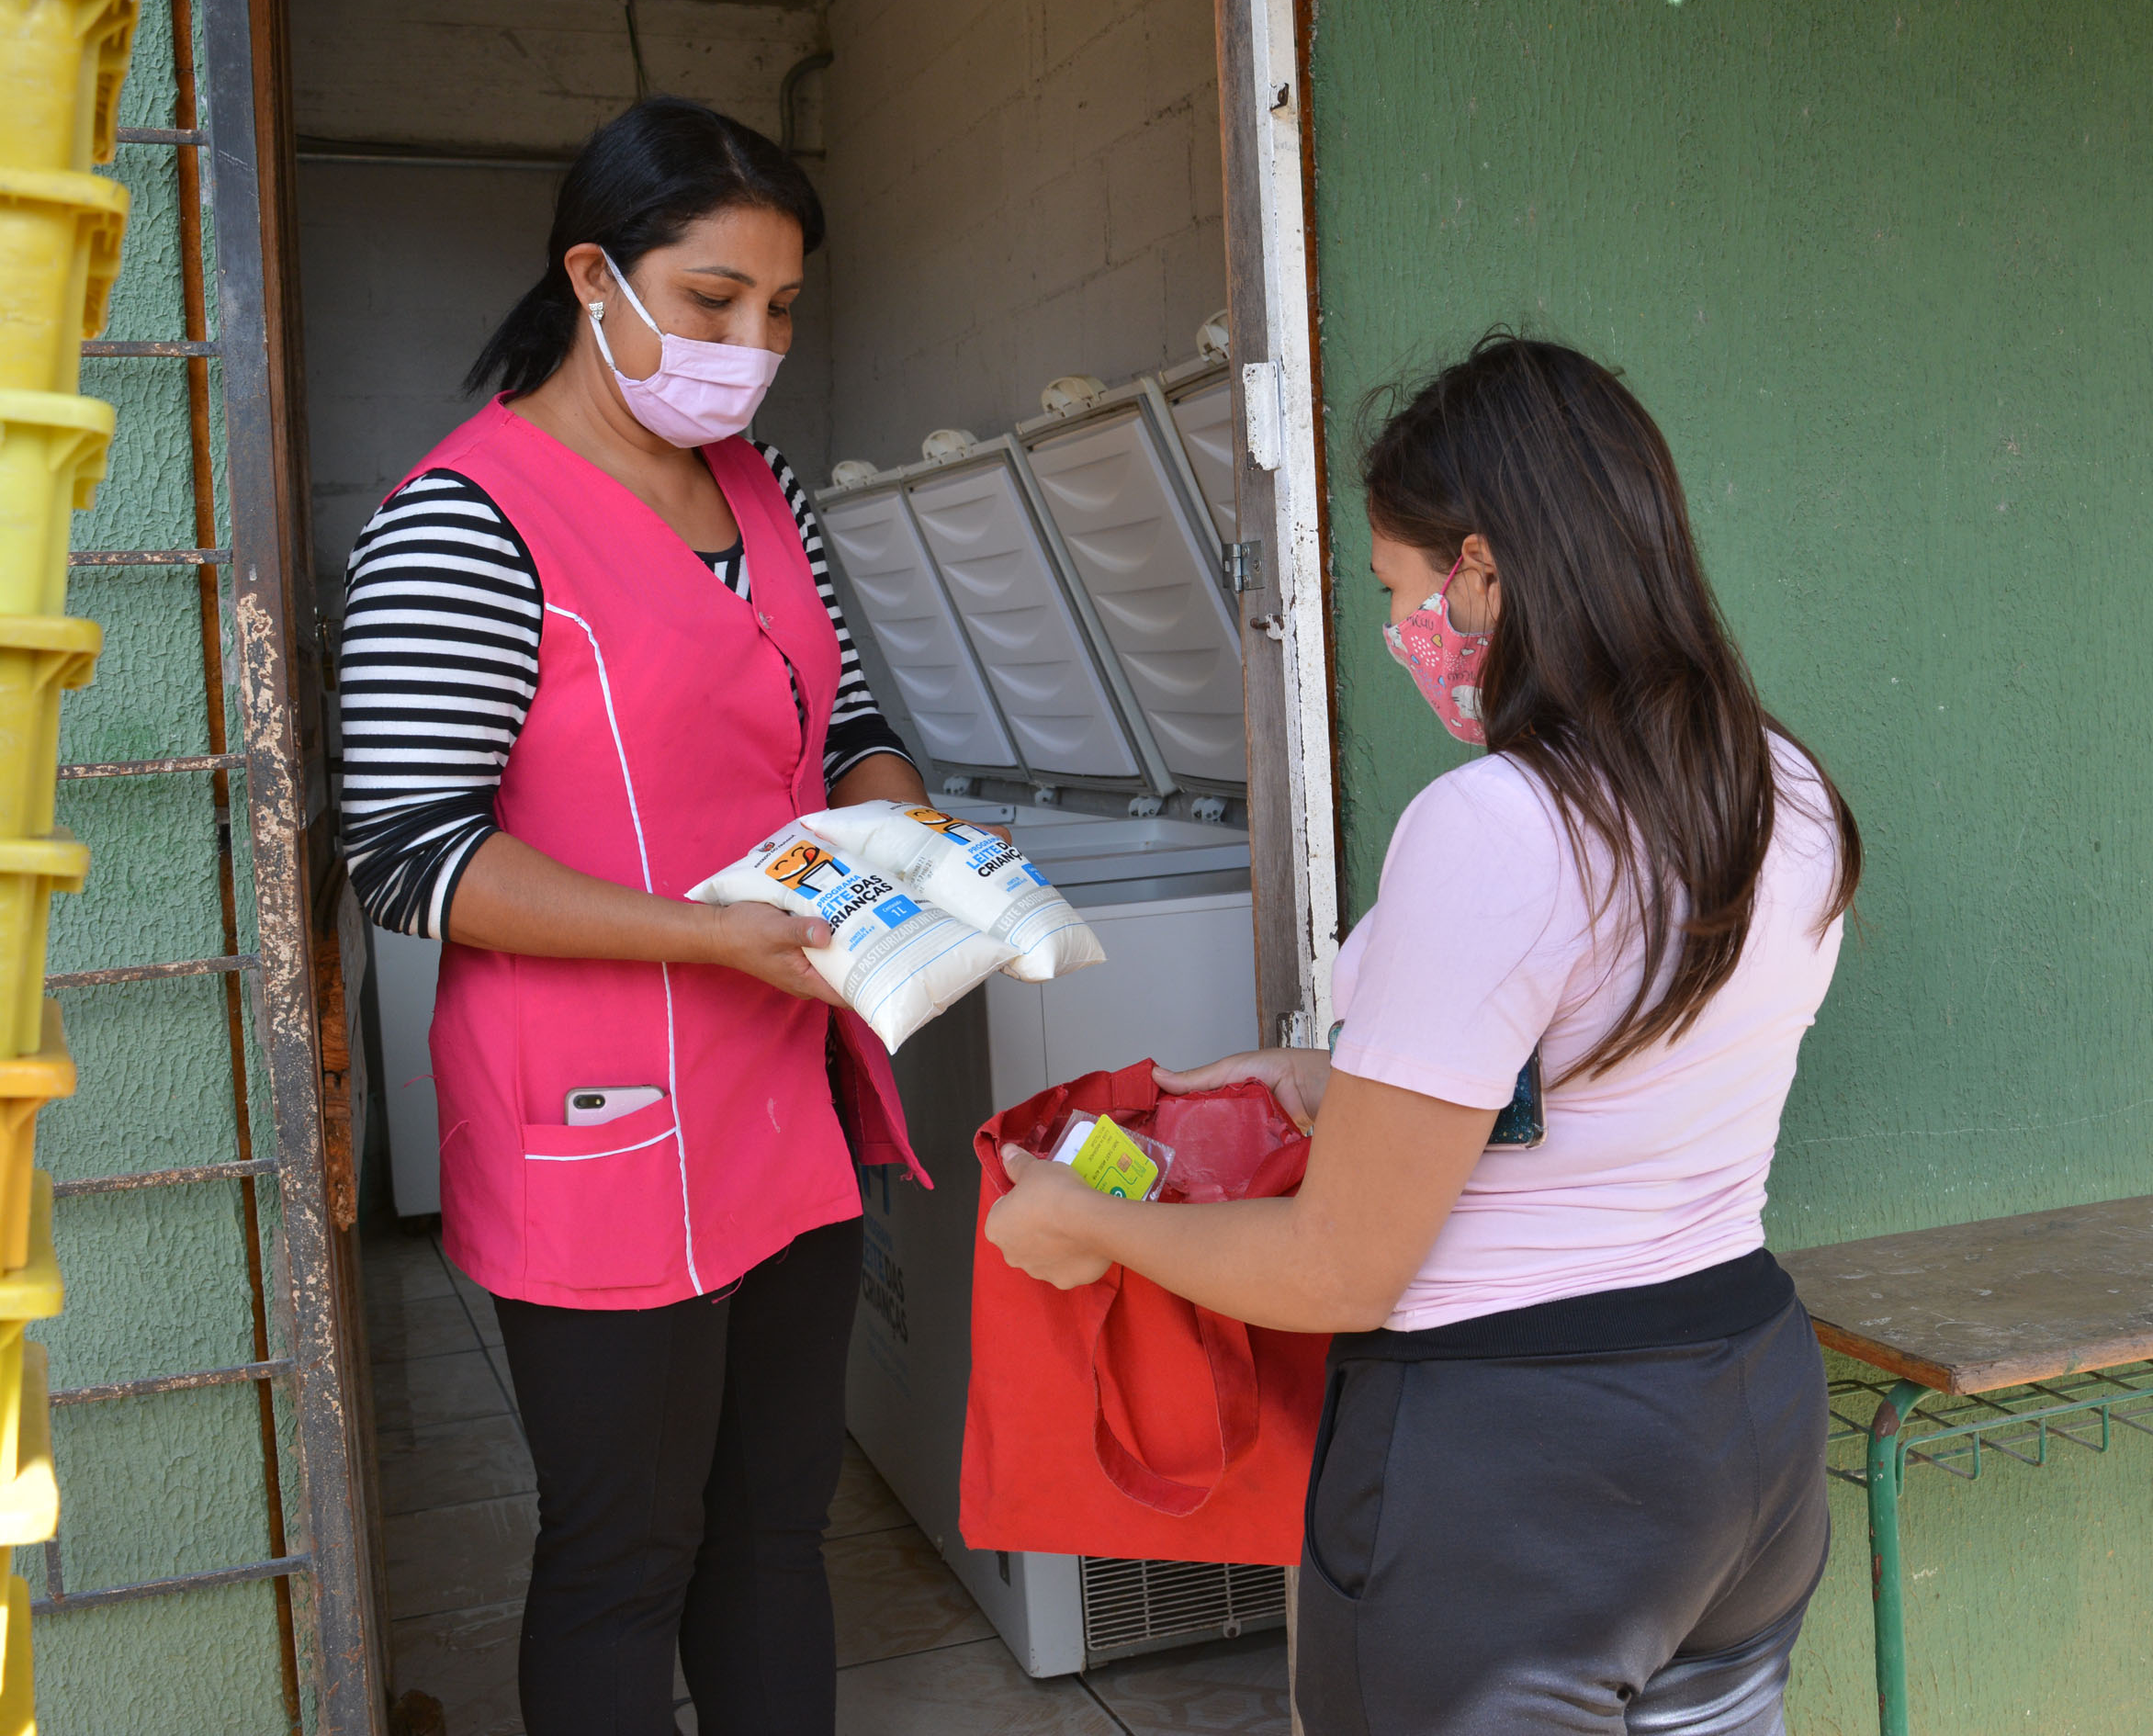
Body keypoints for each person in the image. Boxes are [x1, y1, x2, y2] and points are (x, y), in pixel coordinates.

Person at [986, 333, 1863, 1735]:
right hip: (1742, 1421)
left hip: (1518, 1479)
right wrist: (1345, 1084)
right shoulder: (1782, 784)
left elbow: (1339, 1264)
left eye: (1401, 593)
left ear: (1480, 570)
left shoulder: (1499, 822)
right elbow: (1599, 1078)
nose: (1407, 637)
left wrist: (1089, 1233)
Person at [339, 97, 932, 1736]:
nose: (753, 344)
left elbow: (847, 713)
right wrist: (708, 934)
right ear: (592, 277)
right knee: (624, 1551)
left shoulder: (763, 487)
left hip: (785, 1088)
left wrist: (907, 825)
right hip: (599, 1107)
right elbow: (410, 854)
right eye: (712, 300)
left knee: (770, 1533)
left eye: (782, 309)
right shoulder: (464, 519)